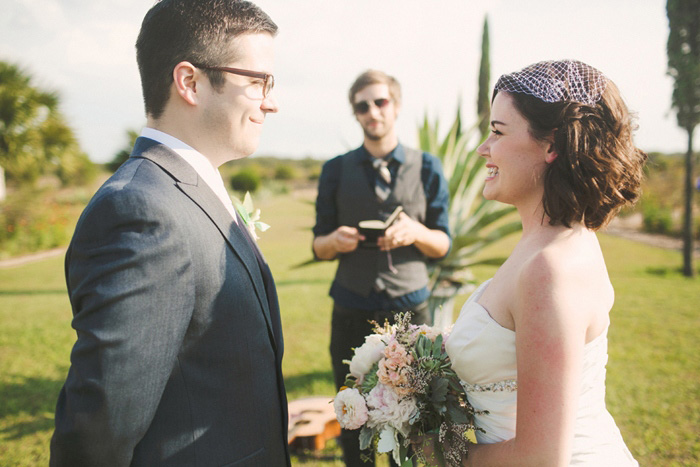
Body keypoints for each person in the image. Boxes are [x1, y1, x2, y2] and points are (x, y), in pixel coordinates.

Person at [50, 1, 290, 466]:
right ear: (190, 82)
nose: (272, 100)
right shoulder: (141, 210)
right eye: (258, 80)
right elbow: (99, 426)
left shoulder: (193, 186)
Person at [437, 60, 644, 465]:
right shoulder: (548, 242)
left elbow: (540, 458)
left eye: (497, 132)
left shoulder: (550, 267)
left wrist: (440, 451)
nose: (483, 148)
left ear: (551, 145)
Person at [313, 69, 451, 466]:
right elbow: (318, 246)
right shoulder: (335, 170)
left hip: (409, 311)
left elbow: (442, 243)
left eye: (380, 102)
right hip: (351, 307)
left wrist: (416, 232)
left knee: (417, 416)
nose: (372, 112)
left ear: (396, 105)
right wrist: (333, 242)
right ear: (354, 113)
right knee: (351, 410)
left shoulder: (427, 167)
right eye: (362, 106)